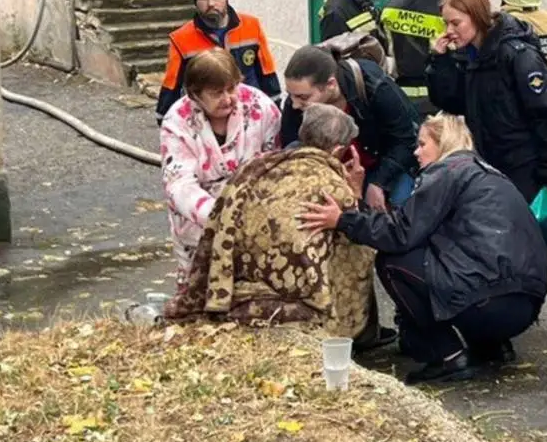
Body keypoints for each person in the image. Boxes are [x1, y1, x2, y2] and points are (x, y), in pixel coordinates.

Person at [300, 114, 547, 384]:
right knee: (452, 262)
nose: (416, 152)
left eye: (422, 144)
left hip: (487, 302)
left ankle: (449, 355)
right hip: (525, 303)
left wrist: (342, 219)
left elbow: (400, 234)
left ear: (442, 144)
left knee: (393, 262)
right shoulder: (486, 173)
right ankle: (492, 346)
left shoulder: (447, 172)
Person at [162, 104, 394, 353]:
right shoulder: (334, 188)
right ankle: (360, 337)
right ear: (339, 150)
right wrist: (354, 193)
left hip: (237, 286)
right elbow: (357, 257)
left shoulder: (256, 168)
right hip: (295, 300)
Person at [425, 0, 547, 203]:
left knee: (522, 234)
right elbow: (452, 103)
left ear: (477, 17)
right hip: (490, 166)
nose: (449, 31)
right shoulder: (469, 56)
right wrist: (440, 62)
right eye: (446, 23)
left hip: (525, 171)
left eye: (456, 23)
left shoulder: (516, 55)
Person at [159, 48, 282, 287]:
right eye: (216, 93)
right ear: (195, 94)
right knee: (201, 298)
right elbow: (179, 184)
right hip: (199, 227)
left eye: (232, 88)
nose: (228, 98)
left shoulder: (260, 107)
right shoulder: (176, 122)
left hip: (255, 221)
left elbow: (277, 164)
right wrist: (221, 218)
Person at [280, 45, 419, 211]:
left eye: (303, 97)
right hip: (329, 171)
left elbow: (405, 138)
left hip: (383, 165)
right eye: (290, 95)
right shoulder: (296, 103)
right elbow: (292, 150)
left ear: (331, 84)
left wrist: (379, 183)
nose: (294, 104)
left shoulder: (374, 87)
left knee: (402, 208)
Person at [156, 0, 282, 123]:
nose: (211, 4)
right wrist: (165, 120)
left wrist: (276, 110)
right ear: (195, 2)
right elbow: (172, 84)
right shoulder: (181, 38)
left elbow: (267, 72)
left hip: (249, 113)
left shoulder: (252, 26)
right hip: (207, 117)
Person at [382, 0, 456, 119]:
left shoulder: (392, 7)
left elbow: (381, 49)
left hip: (396, 96)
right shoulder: (449, 12)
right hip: (435, 100)